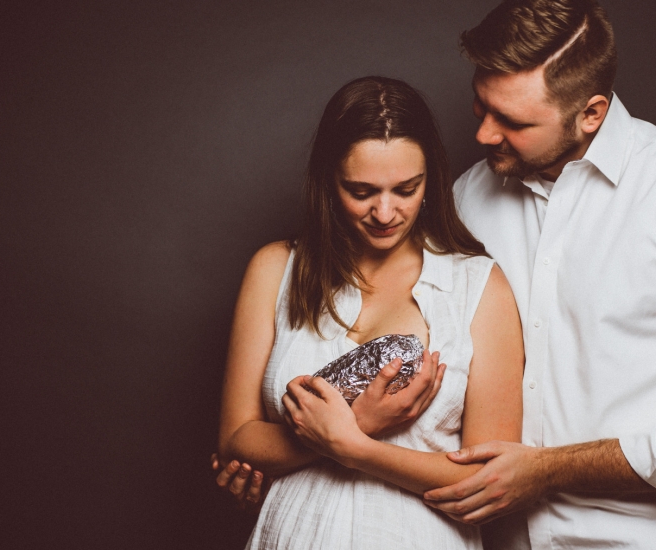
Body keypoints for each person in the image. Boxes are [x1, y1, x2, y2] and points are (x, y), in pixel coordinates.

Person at [417, 1, 656, 548]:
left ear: (590, 113)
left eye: (514, 122)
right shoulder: (467, 199)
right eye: (480, 109)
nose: (485, 136)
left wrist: (549, 469)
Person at [216, 75, 525, 549]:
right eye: (360, 191)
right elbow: (237, 442)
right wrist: (361, 420)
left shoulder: (479, 286)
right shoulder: (275, 269)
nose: (385, 213)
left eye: (406, 189)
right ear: (328, 180)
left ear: (431, 180)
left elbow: (485, 479)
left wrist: (352, 445)